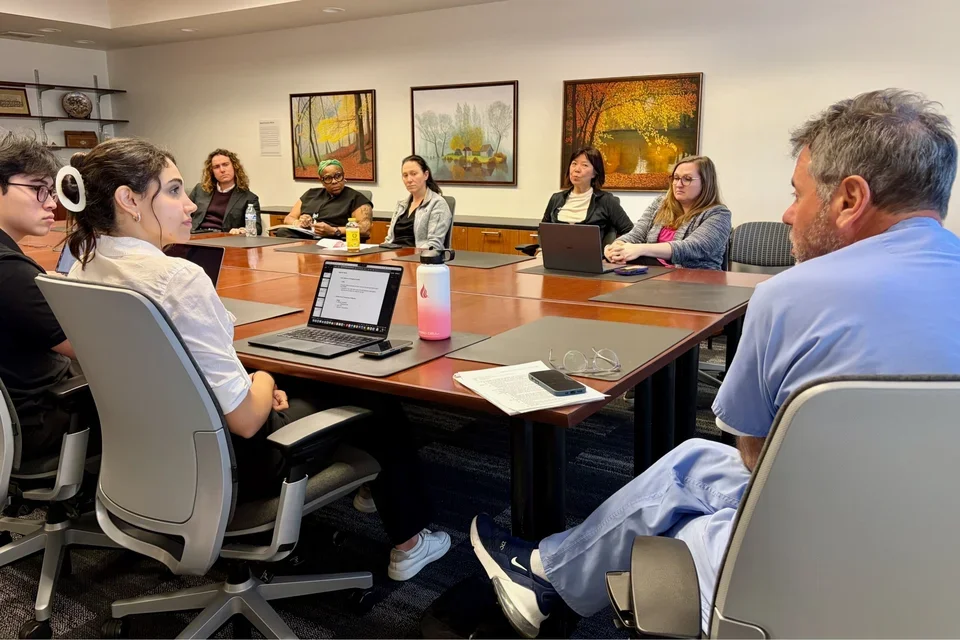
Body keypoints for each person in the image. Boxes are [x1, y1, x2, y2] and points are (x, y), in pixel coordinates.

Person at [469, 88, 960, 638]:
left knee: (702, 483)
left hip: (810, 565)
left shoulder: (792, 294)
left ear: (849, 199)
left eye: (797, 195)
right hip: (937, 558)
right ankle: (546, 575)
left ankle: (549, 578)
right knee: (698, 457)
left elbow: (751, 452)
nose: (787, 213)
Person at [64, 138, 450, 581]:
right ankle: (409, 542)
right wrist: (263, 377)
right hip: (234, 466)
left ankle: (374, 487)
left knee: (308, 385)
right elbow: (247, 421)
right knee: (372, 401)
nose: (190, 204)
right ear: (128, 200)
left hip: (149, 457)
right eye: (172, 191)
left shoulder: (84, 266)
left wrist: (256, 385)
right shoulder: (177, 279)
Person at [0, 133, 78, 459]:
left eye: (52, 191)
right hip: (39, 420)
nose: (51, 203)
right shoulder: (11, 272)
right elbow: (92, 349)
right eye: (38, 189)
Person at [605, 155, 731, 269]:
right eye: (676, 178)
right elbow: (636, 235)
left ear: (705, 183)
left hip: (696, 282)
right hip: (653, 277)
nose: (678, 184)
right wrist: (615, 247)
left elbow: (692, 248)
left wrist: (641, 249)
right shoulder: (660, 203)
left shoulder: (719, 214)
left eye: (687, 179)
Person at [542, 147, 633, 246]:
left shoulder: (606, 200)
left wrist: (615, 247)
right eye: (574, 164)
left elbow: (630, 231)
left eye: (584, 165)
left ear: (595, 173)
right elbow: (543, 230)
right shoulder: (556, 198)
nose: (576, 170)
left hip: (590, 258)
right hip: (555, 255)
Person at [282, 159, 372, 239]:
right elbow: (289, 218)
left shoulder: (357, 198)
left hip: (334, 240)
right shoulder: (310, 194)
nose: (334, 181)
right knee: (282, 232)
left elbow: (365, 228)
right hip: (306, 237)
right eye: (328, 178)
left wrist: (334, 230)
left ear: (344, 176)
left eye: (338, 176)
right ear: (321, 181)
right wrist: (299, 223)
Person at [384, 155, 452, 249]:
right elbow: (389, 240)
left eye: (414, 174)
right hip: (393, 256)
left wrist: (410, 256)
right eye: (405, 175)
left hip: (418, 258)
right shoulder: (401, 205)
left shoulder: (437, 204)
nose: (409, 180)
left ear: (426, 175)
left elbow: (434, 244)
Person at [188, 148, 261, 235]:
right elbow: (183, 213)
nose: (222, 170)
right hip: (196, 235)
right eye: (216, 167)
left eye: (225, 165)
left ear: (234, 167)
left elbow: (257, 228)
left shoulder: (249, 198)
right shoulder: (200, 189)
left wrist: (242, 230)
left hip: (224, 238)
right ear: (212, 171)